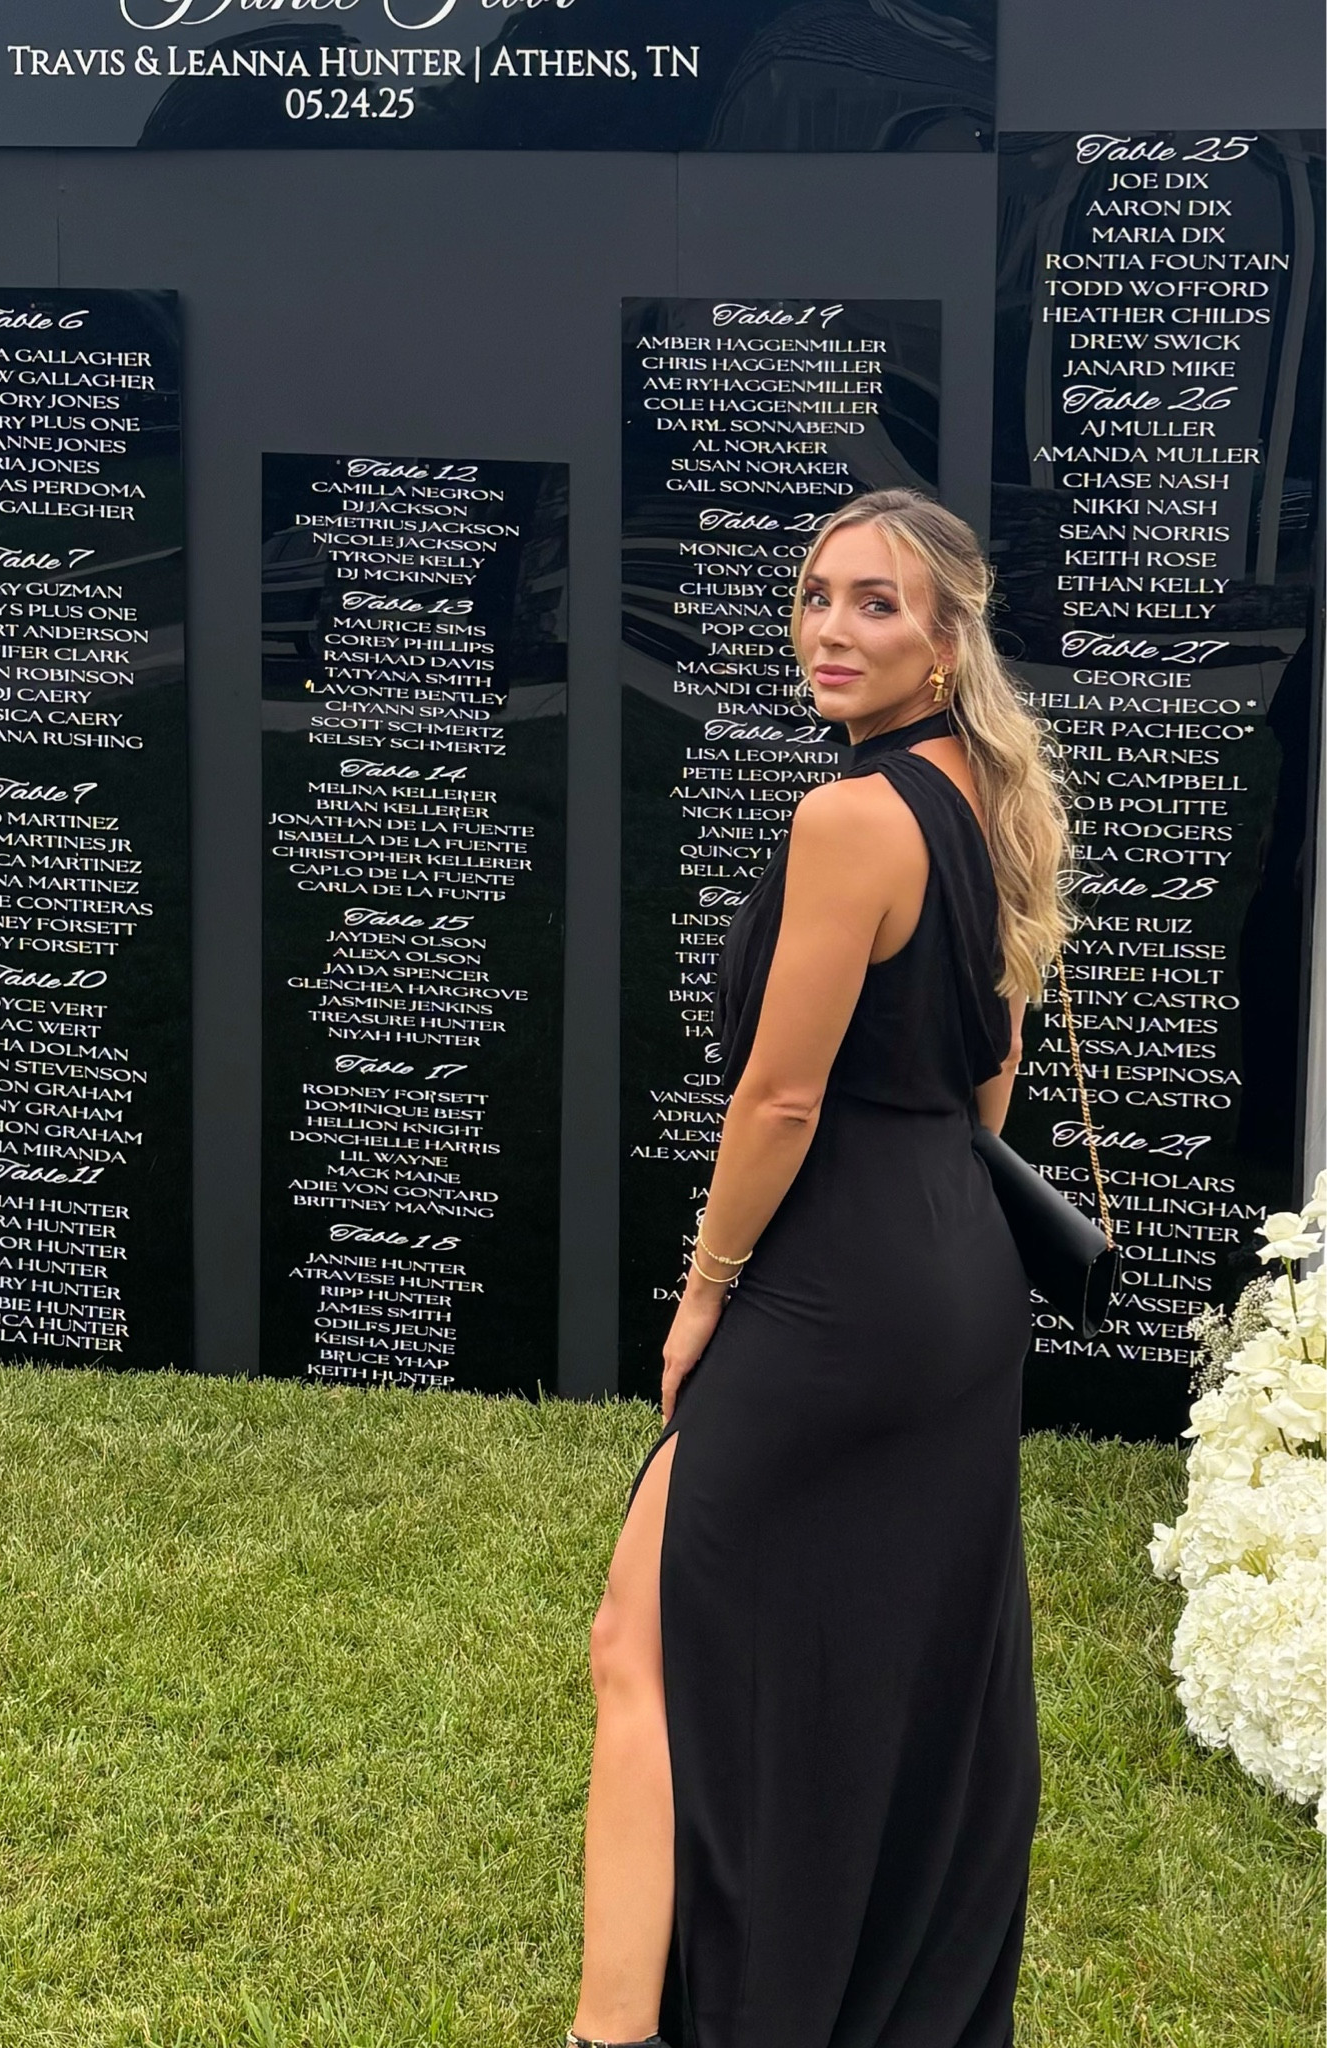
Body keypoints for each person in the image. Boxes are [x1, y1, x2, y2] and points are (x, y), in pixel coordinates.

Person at [567, 489, 1075, 2048]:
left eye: (877, 605)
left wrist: (707, 1289)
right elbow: (983, 1080)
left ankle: (613, 2033)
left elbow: (779, 1097)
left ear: (943, 639)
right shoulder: (987, 793)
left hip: (832, 1286)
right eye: (814, 596)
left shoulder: (846, 819)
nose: (831, 632)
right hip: (955, 1269)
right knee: (888, 1659)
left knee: (640, 1643)